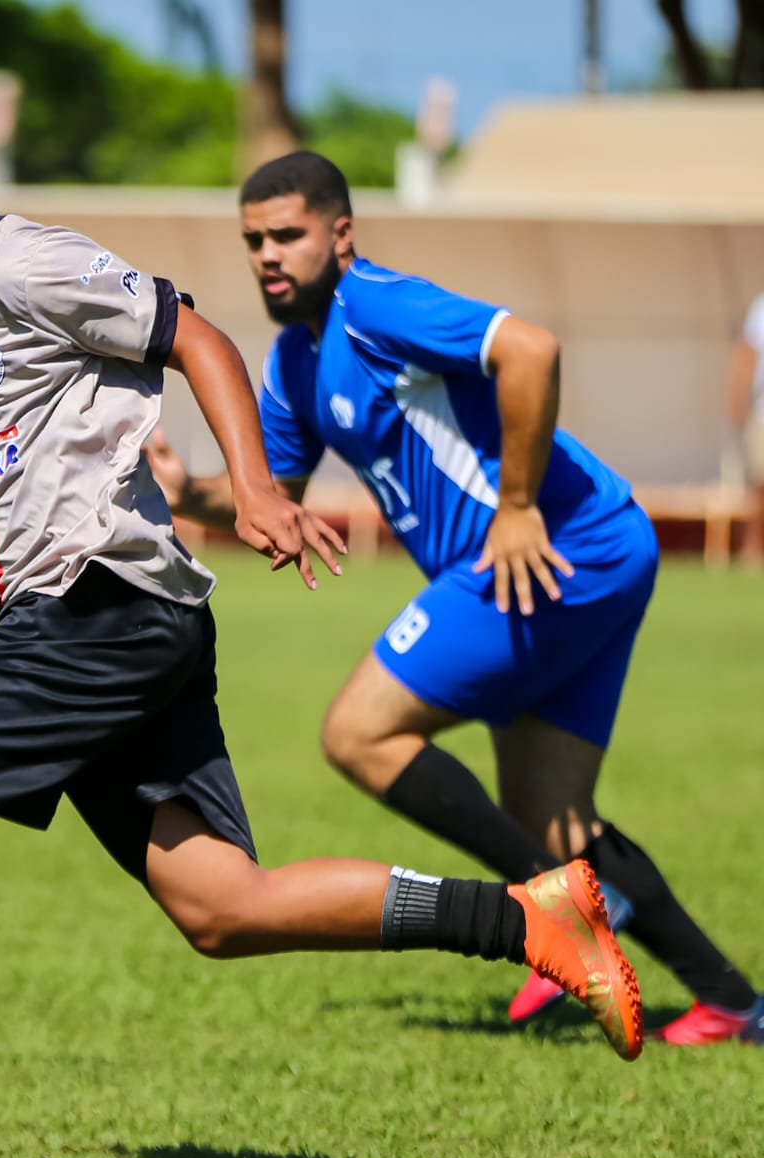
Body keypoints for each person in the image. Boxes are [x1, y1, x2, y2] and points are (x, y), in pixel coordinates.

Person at [0, 79, 641, 1158]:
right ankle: (532, 916)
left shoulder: (21, 264)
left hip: (96, 611)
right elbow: (5, 494)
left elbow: (195, 335)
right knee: (221, 907)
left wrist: (250, 486)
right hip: (101, 616)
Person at [147, 150, 761, 1045]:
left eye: (288, 234)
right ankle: (730, 999)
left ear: (340, 234)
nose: (269, 254)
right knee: (554, 819)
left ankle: (559, 918)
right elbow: (269, 495)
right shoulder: (294, 362)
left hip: (554, 550)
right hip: (584, 555)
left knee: (357, 731)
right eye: (254, 241)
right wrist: (183, 488)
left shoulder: (374, 305)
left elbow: (530, 348)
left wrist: (515, 508)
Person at [728, 288, 764, 565]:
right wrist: (737, 400)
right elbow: (746, 356)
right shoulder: (760, 308)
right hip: (762, 414)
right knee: (760, 488)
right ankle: (752, 554)